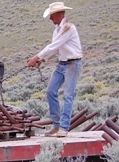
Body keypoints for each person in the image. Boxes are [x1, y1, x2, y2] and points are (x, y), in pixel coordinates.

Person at [27, 2, 83, 137]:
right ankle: (57, 125)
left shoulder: (68, 28)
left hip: (72, 63)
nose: (50, 19)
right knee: (51, 91)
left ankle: (64, 127)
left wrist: (36, 57)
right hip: (62, 63)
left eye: (52, 16)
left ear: (59, 14)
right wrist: (42, 59)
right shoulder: (57, 29)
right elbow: (56, 48)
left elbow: (54, 46)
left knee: (68, 95)